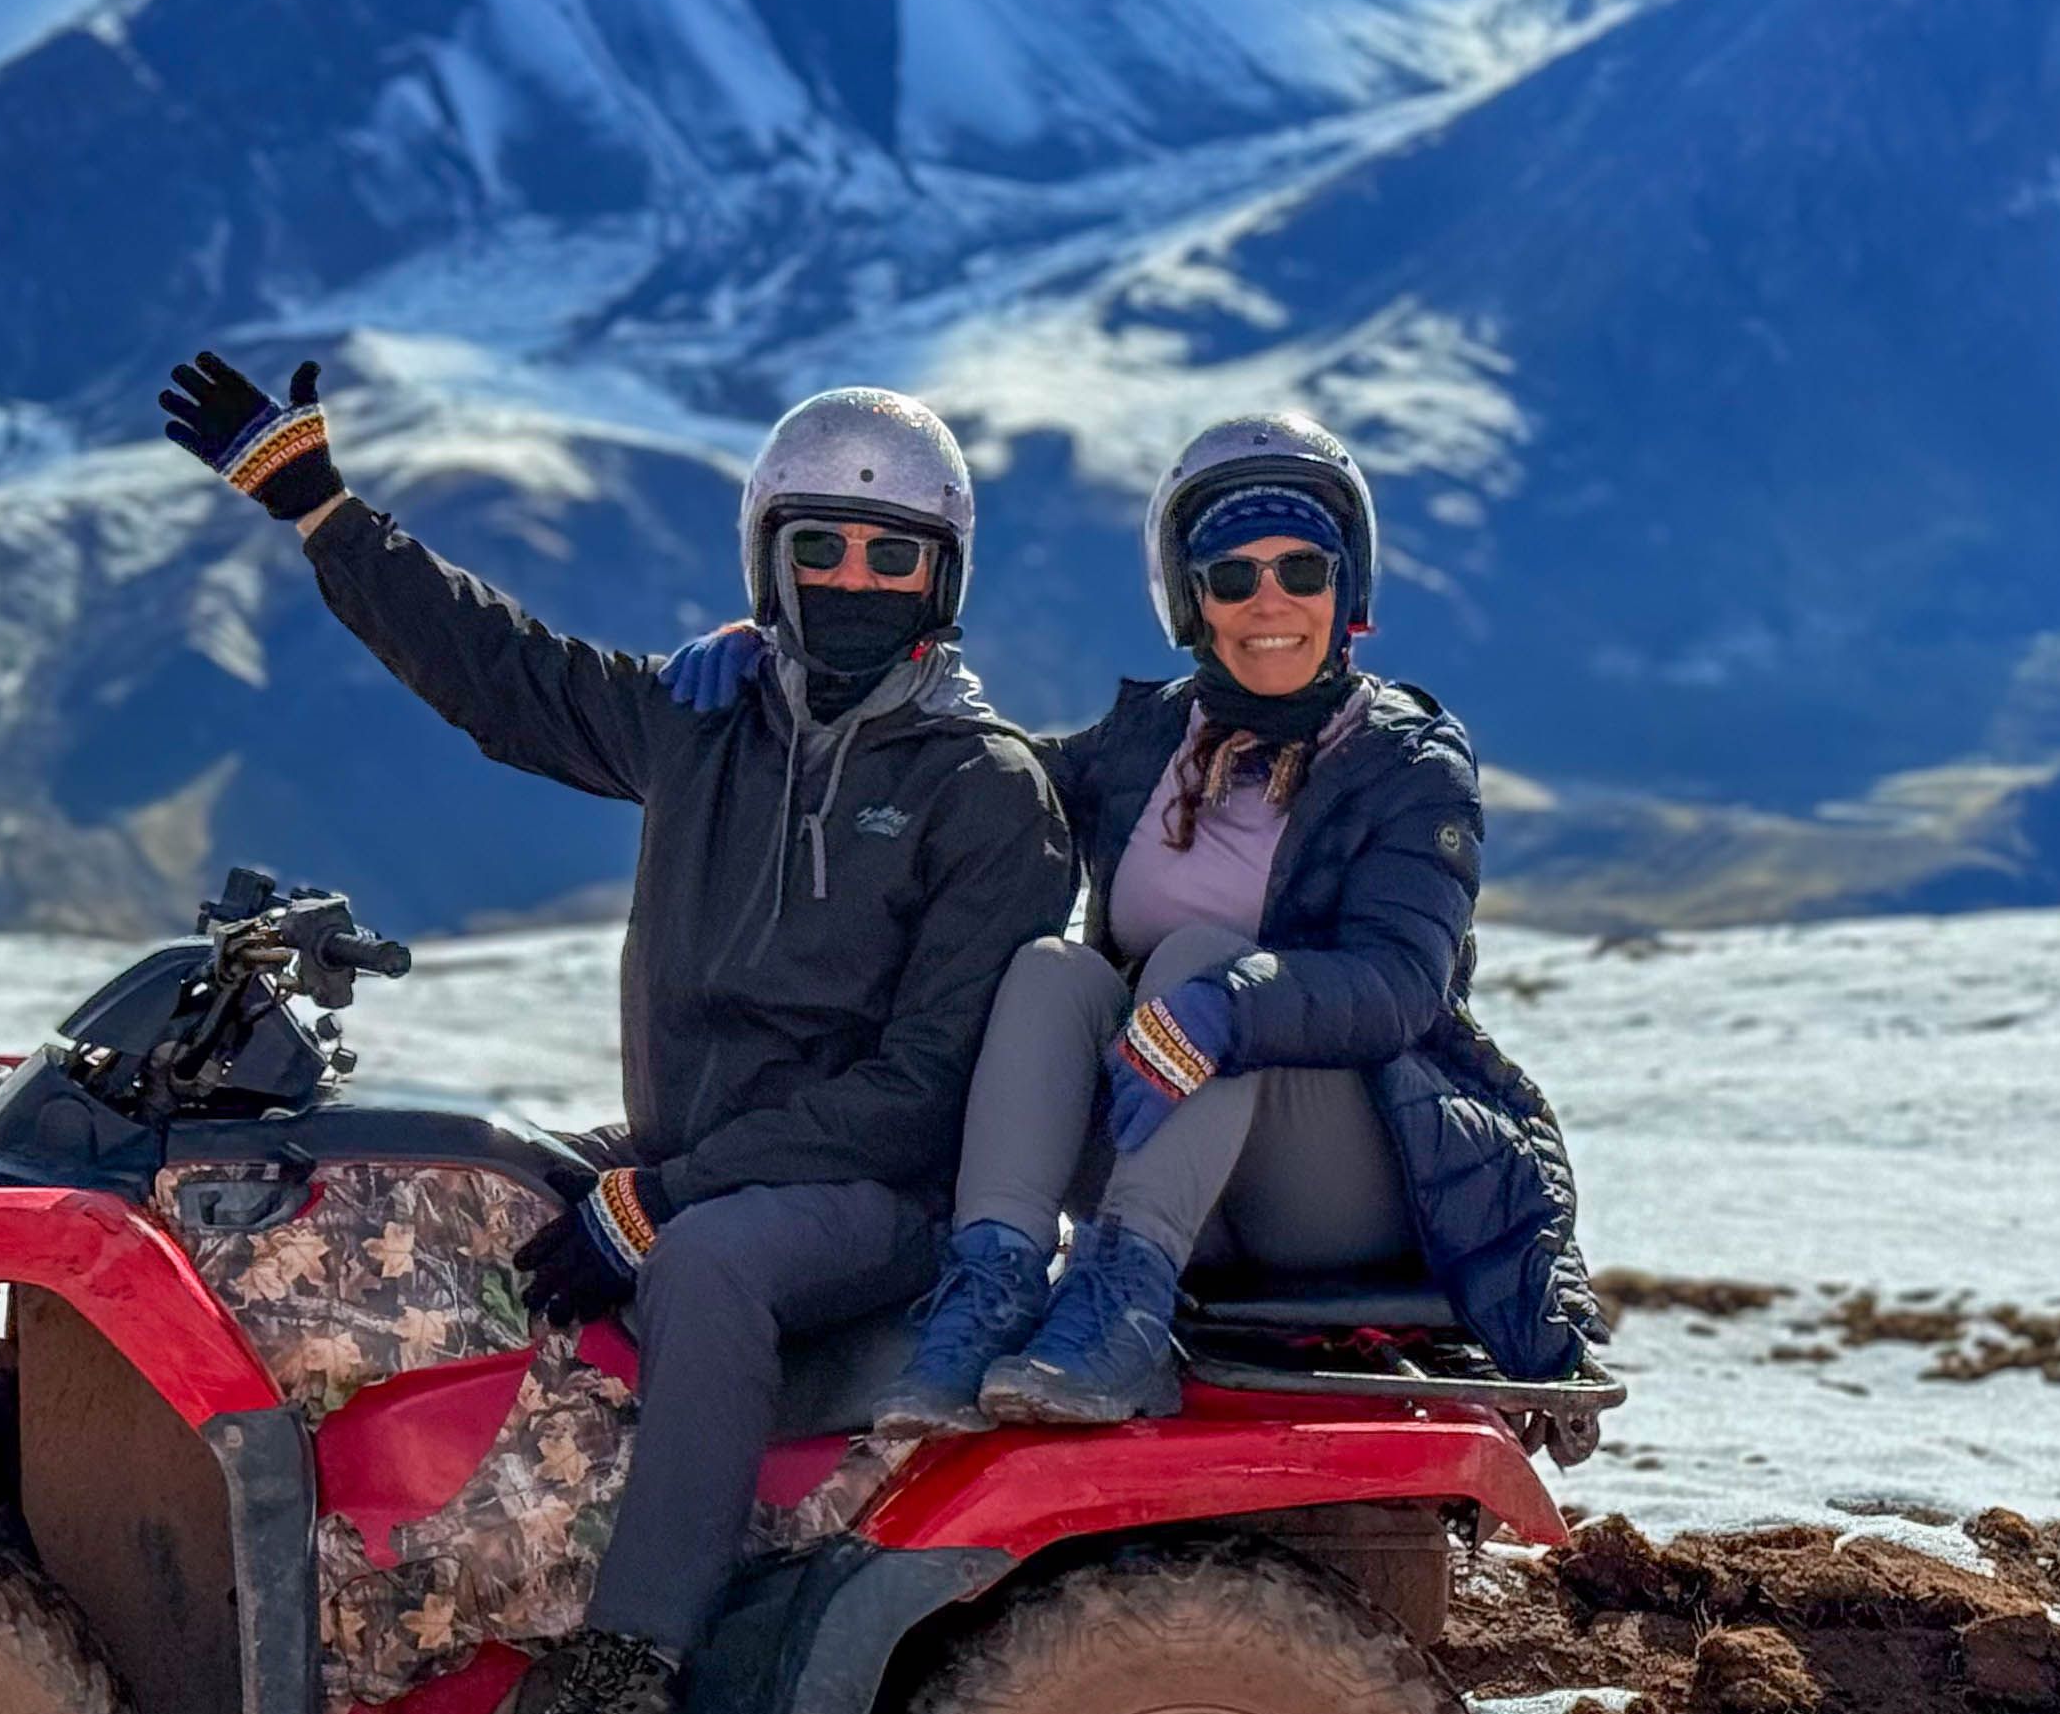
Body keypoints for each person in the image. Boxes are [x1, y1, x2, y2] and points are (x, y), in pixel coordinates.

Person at [160, 353, 1076, 1714]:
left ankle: (631, 1681)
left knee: (707, 1262)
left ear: (942, 578)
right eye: (822, 548)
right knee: (470, 1173)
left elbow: (922, 1091)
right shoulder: (705, 722)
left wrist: (669, 1196)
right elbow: (505, 676)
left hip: (879, 1198)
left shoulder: (985, 789)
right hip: (692, 1148)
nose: (853, 580)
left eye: (890, 555)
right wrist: (326, 513)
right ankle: (388, 1586)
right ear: (768, 561)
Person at [661, 412, 1595, 1429]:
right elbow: (971, 786)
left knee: (1200, 958)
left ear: (1349, 589)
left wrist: (1229, 1006)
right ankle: (992, 1284)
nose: (1269, 600)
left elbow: (1400, 986)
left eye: (1302, 569)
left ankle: (1125, 1320)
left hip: (1342, 1191)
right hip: (1167, 1172)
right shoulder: (1147, 740)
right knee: (1052, 972)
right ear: (1191, 600)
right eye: (1231, 576)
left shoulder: (1406, 764)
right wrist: (790, 661)